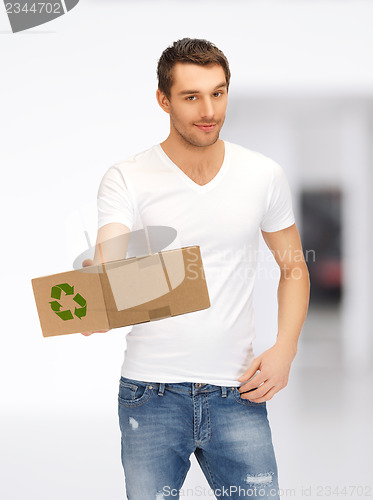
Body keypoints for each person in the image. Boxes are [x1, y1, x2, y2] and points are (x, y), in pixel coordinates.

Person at [82, 38, 310, 500]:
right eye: (191, 96)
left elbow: (293, 268)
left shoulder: (262, 174)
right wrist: (98, 291)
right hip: (151, 394)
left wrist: (286, 347)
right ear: (163, 100)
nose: (209, 110)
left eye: (218, 93)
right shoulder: (128, 176)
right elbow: (110, 253)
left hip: (237, 394)